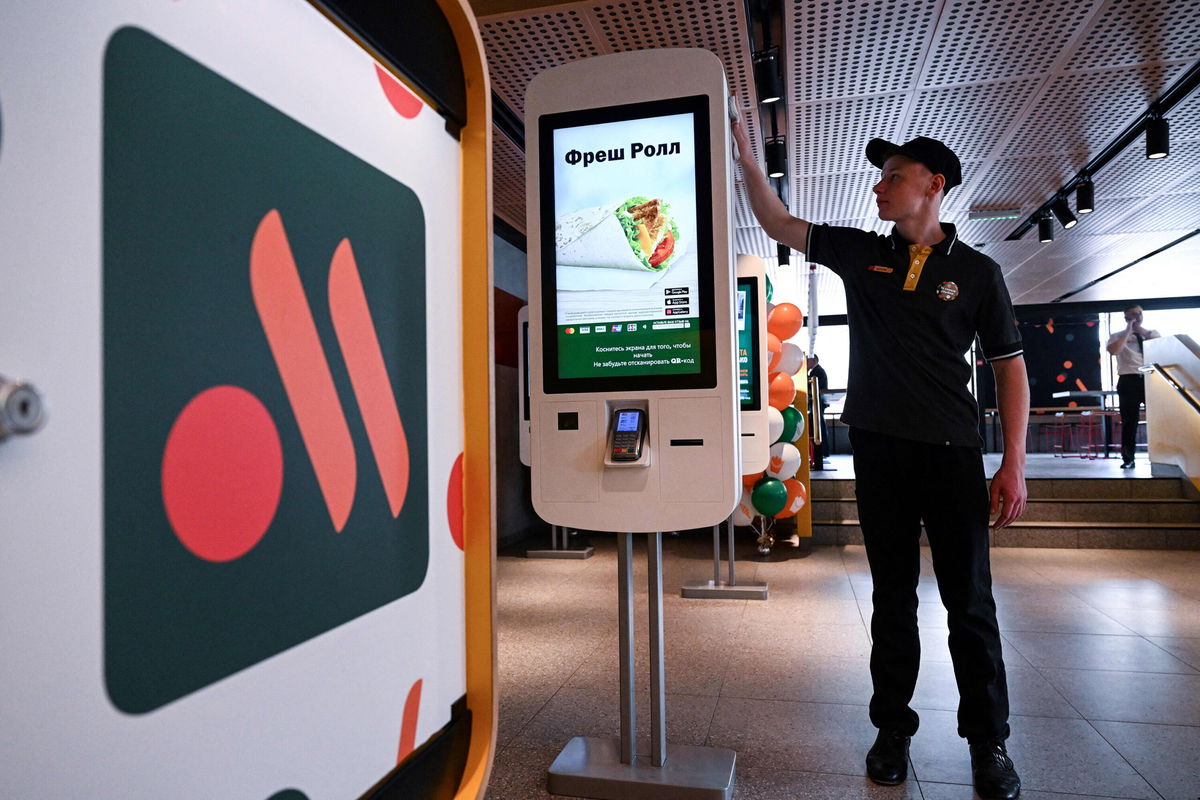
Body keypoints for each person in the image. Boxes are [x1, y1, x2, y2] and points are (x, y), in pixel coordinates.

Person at [734, 122, 1029, 800]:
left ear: (934, 185)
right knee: (892, 599)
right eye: (882, 176)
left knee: (970, 605)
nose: (880, 186)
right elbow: (778, 222)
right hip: (879, 449)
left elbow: (1010, 370)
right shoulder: (859, 253)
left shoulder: (979, 273)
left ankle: (989, 744)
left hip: (954, 453)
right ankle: (892, 730)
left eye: (894, 177)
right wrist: (749, 164)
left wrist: (1012, 461)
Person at [1105, 305, 1159, 468]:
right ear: (1126, 317)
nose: (1137, 316)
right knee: (1129, 421)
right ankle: (1128, 459)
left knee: (1157, 419)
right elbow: (1114, 350)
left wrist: (1140, 330)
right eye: (1133, 314)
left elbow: (1160, 345)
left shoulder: (1152, 333)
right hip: (1128, 380)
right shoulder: (1116, 336)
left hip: (1150, 379)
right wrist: (1129, 329)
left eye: (1140, 313)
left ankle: (1161, 455)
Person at [807, 354, 831, 470]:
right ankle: (823, 452)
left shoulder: (816, 372)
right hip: (819, 404)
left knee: (818, 428)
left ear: (814, 360)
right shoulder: (818, 371)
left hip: (817, 405)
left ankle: (821, 453)